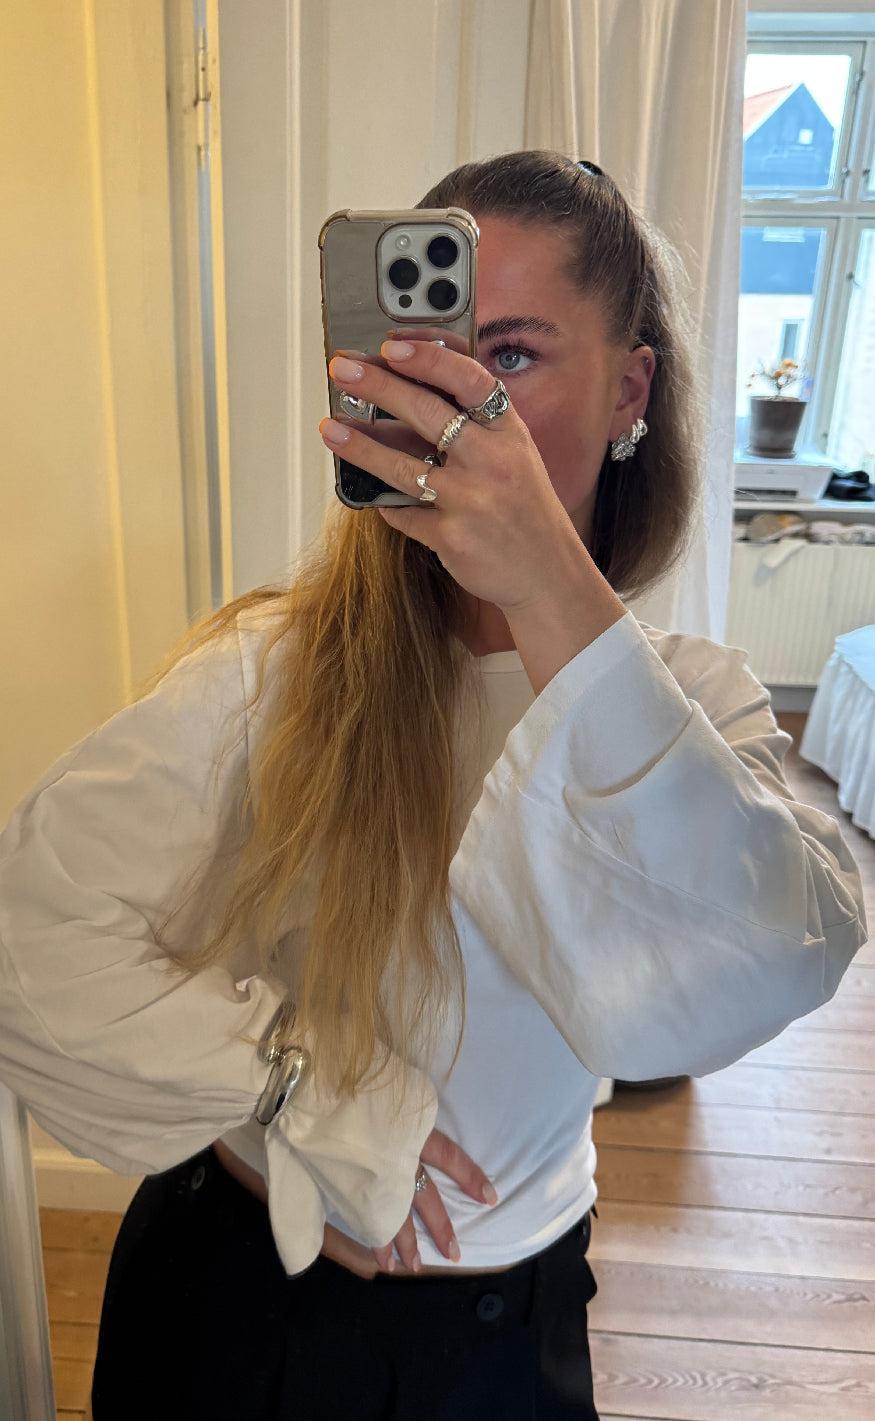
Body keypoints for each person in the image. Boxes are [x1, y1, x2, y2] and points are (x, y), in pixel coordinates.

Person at [0, 150, 867, 1420]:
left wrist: (547, 584)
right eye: (428, 358)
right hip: (242, 1290)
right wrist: (302, 1097)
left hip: (507, 1321)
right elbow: (32, 924)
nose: (460, 406)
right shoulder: (277, 670)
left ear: (628, 389)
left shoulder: (692, 702)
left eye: (509, 354)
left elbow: (731, 978)